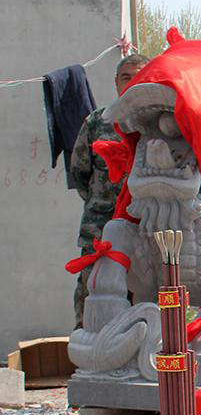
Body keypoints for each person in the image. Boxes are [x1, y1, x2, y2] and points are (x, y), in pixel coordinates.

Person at [69, 53, 150, 328]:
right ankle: (89, 357)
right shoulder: (97, 122)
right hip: (101, 228)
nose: (132, 82)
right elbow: (80, 173)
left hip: (146, 226)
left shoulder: (159, 124)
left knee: (143, 297)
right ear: (116, 82)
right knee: (93, 291)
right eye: (126, 77)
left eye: (139, 76)